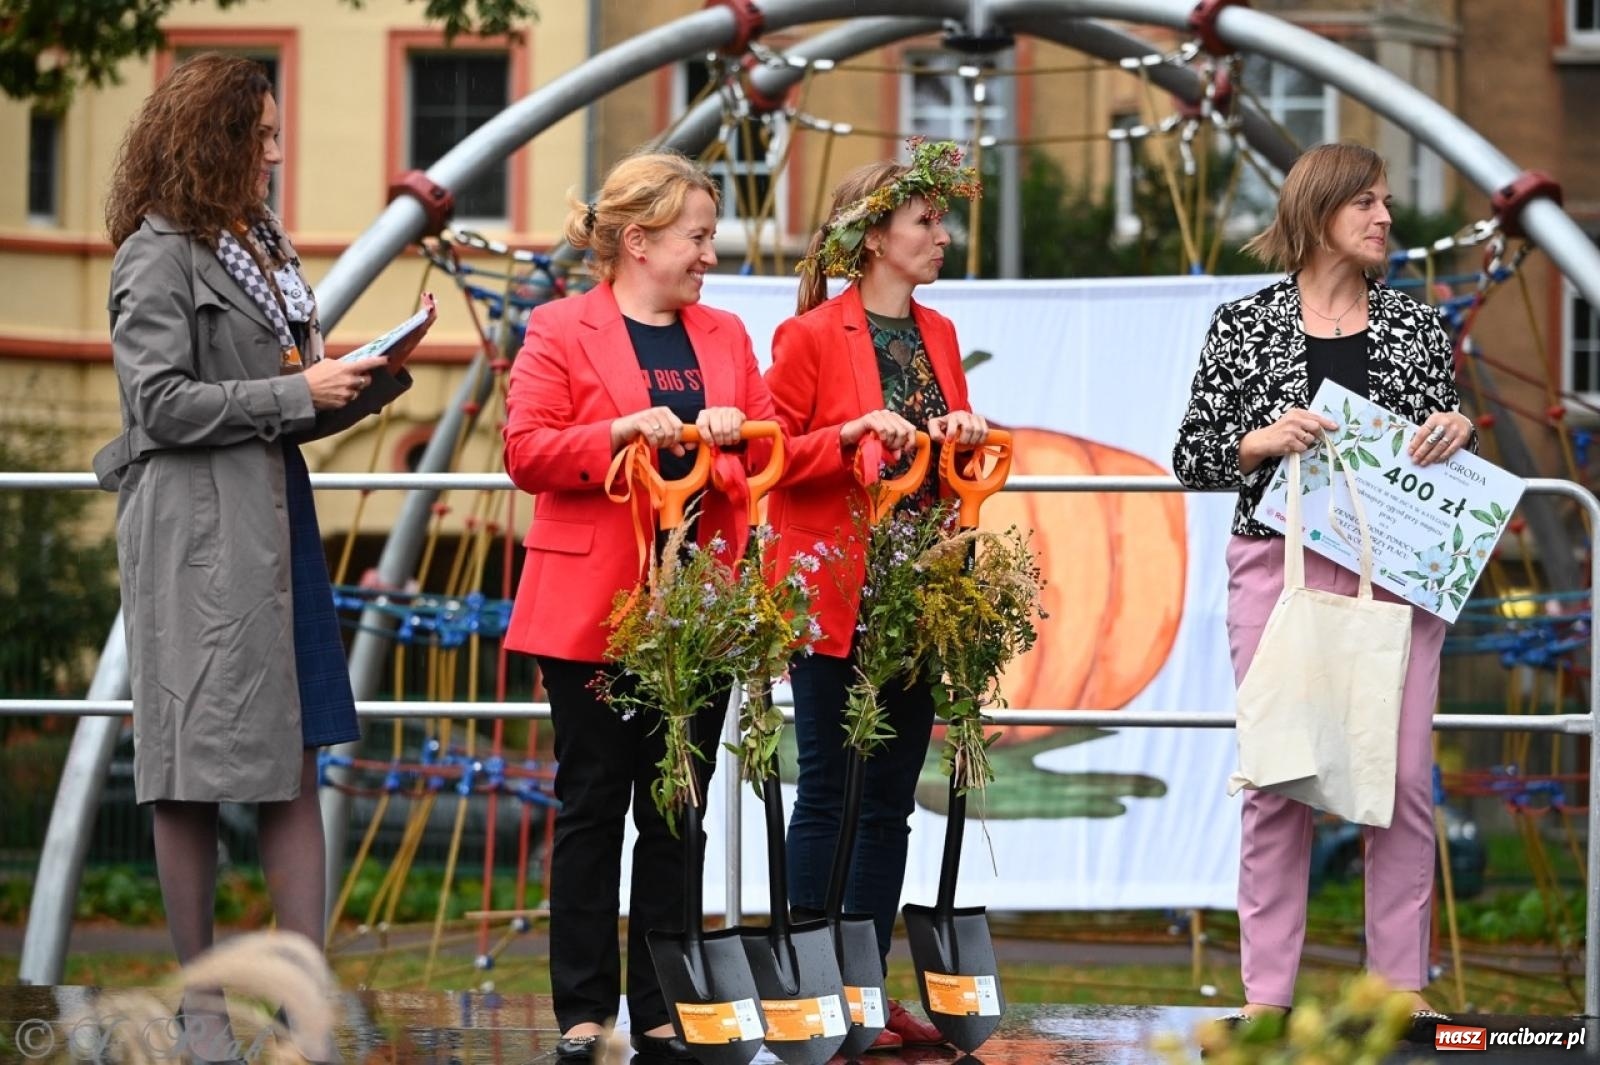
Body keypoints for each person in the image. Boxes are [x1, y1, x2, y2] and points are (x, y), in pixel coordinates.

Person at [96, 53, 418, 1062]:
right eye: (262, 138)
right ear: (212, 141)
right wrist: (295, 394)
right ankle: (199, 1002)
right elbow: (157, 406)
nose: (276, 156)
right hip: (195, 538)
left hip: (274, 523)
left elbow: (284, 400)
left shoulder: (261, 248)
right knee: (189, 766)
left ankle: (301, 996)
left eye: (278, 137)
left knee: (296, 754)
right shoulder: (155, 254)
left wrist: (356, 383)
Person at [1173, 142, 1471, 1038]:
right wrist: (1261, 439)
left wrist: (1454, 428)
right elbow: (1192, 454)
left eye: (1386, 203)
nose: (1386, 218)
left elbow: (1443, 468)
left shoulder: (1418, 330)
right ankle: (1268, 995)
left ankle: (1396, 991)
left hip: (1398, 574)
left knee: (1406, 779)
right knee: (1278, 778)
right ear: (1319, 214)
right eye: (1368, 204)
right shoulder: (1241, 323)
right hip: (1276, 564)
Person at [501, 150, 776, 1065]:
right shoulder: (559, 328)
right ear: (639, 240)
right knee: (591, 803)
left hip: (699, 610)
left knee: (679, 811)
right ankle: (583, 1010)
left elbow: (768, 446)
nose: (709, 254)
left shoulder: (728, 336)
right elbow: (528, 451)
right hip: (592, 610)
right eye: (697, 237)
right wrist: (619, 430)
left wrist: (731, 440)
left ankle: (661, 1004)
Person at [763, 142, 989, 1052]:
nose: (943, 235)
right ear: (873, 237)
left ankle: (865, 988)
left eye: (940, 220)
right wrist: (852, 430)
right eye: (926, 222)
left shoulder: (934, 332)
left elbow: (948, 464)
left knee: (892, 794)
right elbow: (768, 456)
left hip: (919, 585)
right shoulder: (813, 333)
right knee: (828, 787)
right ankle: (811, 988)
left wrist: (965, 433)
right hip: (835, 584)